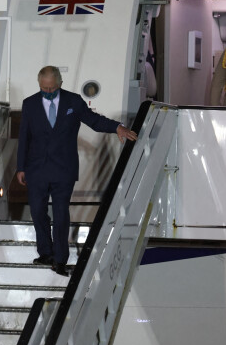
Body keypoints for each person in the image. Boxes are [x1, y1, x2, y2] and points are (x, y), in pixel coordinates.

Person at [16, 66, 137, 277]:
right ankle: (45, 252)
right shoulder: (30, 104)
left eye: (52, 88)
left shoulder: (73, 101)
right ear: (39, 85)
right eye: (44, 89)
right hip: (36, 169)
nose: (48, 92)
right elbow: (24, 137)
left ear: (60, 84)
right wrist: (20, 167)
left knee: (61, 213)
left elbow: (94, 120)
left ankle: (60, 259)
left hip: (64, 169)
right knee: (37, 211)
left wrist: (117, 127)